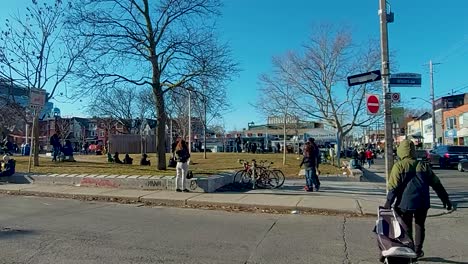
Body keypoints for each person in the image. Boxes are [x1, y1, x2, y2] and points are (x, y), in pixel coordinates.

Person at [384, 139, 452, 259]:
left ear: (400, 151)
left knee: (406, 226)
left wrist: (388, 203)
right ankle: (418, 250)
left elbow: (393, 187)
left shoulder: (398, 166)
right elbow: (437, 184)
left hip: (405, 203)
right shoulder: (423, 166)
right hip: (423, 202)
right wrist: (445, 200)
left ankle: (409, 249)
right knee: (420, 225)